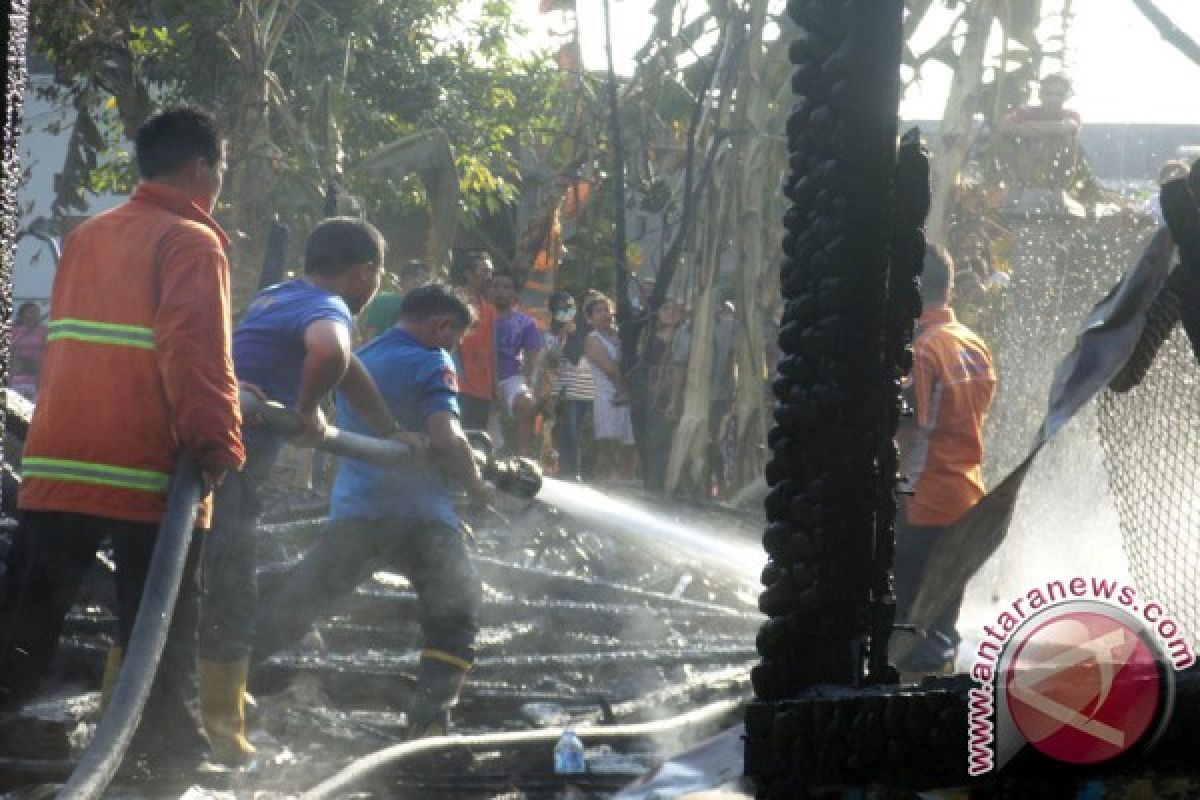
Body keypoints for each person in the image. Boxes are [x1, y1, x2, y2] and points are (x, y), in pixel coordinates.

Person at [0, 107, 244, 762]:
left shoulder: (90, 235)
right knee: (157, 631)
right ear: (201, 169)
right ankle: (164, 765)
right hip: (146, 470)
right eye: (221, 170)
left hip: (57, 462)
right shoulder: (192, 242)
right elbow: (195, 354)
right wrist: (218, 445)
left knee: (23, 626)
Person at [196, 217, 412, 764]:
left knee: (179, 587)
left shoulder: (279, 296)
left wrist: (389, 432)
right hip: (227, 466)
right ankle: (218, 734)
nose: (378, 286)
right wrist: (309, 407)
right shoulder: (329, 309)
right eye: (380, 276)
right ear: (365, 272)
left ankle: (162, 712)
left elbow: (350, 367)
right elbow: (331, 352)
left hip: (200, 458)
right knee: (227, 594)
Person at [253, 283, 492, 739]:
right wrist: (478, 486)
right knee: (456, 611)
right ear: (442, 325)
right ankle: (429, 720)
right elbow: (447, 438)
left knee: (296, 605)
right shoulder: (433, 359)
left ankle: (213, 685)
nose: (454, 347)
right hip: (421, 519)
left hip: (357, 512)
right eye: (456, 336)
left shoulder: (360, 359)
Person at [894, 244, 997, 675]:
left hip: (923, 505)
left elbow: (908, 425)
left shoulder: (923, 351)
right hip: (967, 502)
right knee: (941, 630)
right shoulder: (973, 344)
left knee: (910, 635)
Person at [491, 270, 543, 458]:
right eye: (495, 286)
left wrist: (529, 380)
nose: (500, 291)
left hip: (510, 378)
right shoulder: (477, 317)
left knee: (526, 402)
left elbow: (532, 355)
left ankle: (522, 458)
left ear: (514, 294)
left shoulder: (525, 323)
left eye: (506, 287)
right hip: (478, 376)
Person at [583, 293, 635, 479]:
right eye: (599, 311)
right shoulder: (593, 339)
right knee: (609, 443)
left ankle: (626, 481)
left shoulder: (618, 336)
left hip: (626, 397)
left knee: (628, 444)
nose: (605, 314)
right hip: (608, 397)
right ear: (590, 317)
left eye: (607, 310)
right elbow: (610, 368)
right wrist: (623, 389)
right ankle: (607, 481)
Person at [544, 292, 593, 481]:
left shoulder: (585, 326)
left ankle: (577, 469)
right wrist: (563, 334)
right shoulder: (553, 330)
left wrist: (577, 332)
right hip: (566, 389)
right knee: (567, 429)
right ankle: (569, 470)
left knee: (580, 430)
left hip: (587, 387)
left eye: (569, 304)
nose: (566, 308)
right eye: (561, 305)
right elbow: (553, 355)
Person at [453, 250, 497, 431]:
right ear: (468, 274)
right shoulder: (453, 302)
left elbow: (492, 349)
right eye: (483, 271)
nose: (489, 277)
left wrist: (495, 385)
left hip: (482, 388)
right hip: (457, 384)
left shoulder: (490, 310)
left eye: (490, 272)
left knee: (477, 440)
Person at [359, 258, 428, 342]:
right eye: (424, 278)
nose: (426, 283)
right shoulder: (383, 300)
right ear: (409, 278)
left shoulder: (425, 307)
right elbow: (371, 334)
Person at [9, 301, 48, 400]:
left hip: (36, 375)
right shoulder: (14, 331)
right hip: (17, 376)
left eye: (37, 312)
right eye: (31, 312)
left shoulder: (44, 331)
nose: (35, 315)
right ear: (22, 315)